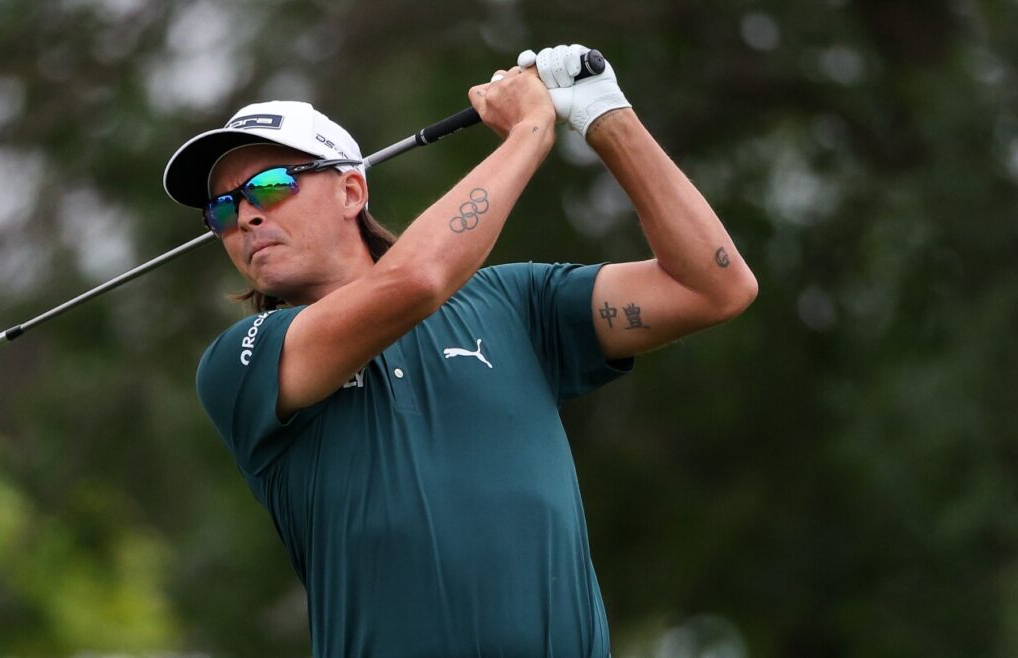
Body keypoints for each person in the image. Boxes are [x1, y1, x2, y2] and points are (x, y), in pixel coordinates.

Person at [162, 44, 757, 657]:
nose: (246, 217)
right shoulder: (243, 362)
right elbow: (417, 281)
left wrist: (605, 115)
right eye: (223, 209)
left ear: (351, 191)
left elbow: (713, 287)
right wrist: (529, 131)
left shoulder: (515, 303)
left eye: (268, 186)